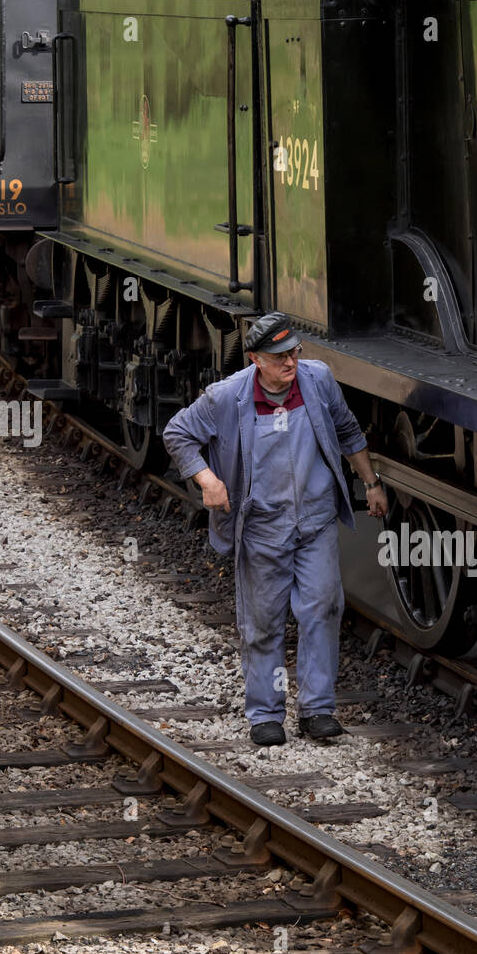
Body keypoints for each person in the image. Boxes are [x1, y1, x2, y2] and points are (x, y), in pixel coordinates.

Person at [162, 312, 387, 745]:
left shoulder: (317, 381)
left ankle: (317, 710)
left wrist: (371, 483)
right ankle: (265, 713)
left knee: (322, 607)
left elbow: (348, 432)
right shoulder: (227, 397)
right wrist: (207, 480)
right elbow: (178, 433)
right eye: (280, 356)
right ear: (255, 359)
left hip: (315, 520)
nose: (291, 363)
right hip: (263, 526)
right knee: (263, 621)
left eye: (295, 352)